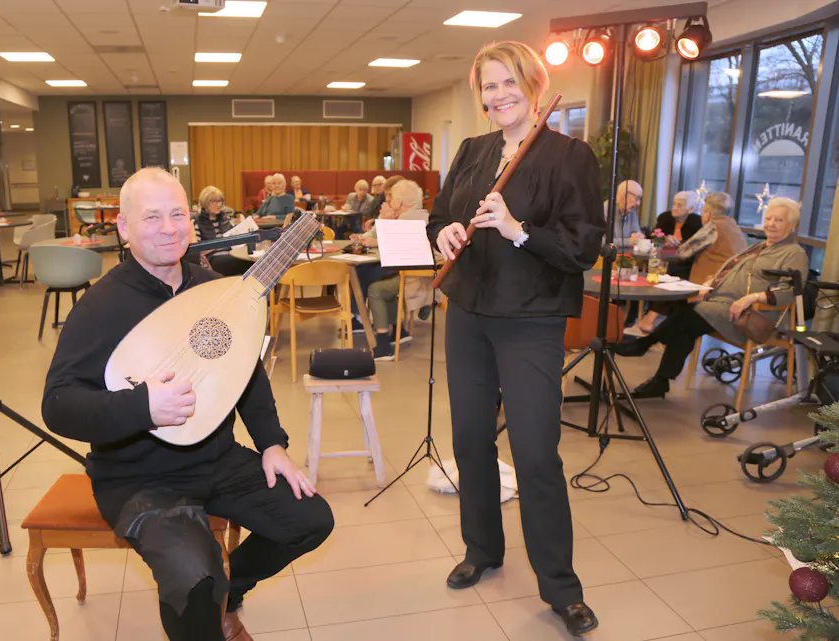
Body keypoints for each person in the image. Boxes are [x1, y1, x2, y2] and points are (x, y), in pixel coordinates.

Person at [42, 167, 334, 641]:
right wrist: (143, 407)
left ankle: (227, 593)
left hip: (216, 459)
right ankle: (207, 601)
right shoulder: (99, 307)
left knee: (311, 520)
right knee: (192, 576)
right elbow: (58, 405)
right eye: (152, 217)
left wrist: (272, 445)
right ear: (124, 226)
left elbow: (248, 374)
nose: (169, 228)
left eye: (178, 214)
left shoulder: (210, 286)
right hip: (138, 477)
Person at [428, 41, 604, 637]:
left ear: (533, 85)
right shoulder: (474, 151)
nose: (499, 95)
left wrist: (517, 229)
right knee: (471, 441)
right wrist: (445, 233)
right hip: (469, 312)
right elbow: (437, 216)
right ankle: (482, 549)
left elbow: (581, 249)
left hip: (531, 320)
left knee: (534, 454)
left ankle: (560, 586)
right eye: (489, 86)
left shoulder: (569, 157)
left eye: (509, 83)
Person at [614, 197, 808, 399]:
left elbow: (789, 291)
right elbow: (731, 270)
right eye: (768, 218)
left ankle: (643, 346)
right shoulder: (759, 247)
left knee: (688, 316)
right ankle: (659, 381)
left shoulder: (793, 253)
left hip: (750, 315)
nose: (771, 224)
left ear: (791, 225)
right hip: (722, 305)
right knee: (685, 326)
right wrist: (709, 285)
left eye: (778, 220)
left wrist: (752, 298)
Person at [352, 180, 429, 359]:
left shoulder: (405, 219)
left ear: (400, 202)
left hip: (413, 276)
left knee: (375, 287)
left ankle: (383, 343)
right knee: (374, 277)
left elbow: (391, 251)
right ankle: (398, 331)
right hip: (416, 271)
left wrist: (386, 222)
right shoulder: (420, 214)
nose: (389, 202)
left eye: (392, 198)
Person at [634, 191, 704, 332]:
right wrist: (662, 240)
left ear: (690, 209)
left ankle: (651, 316)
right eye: (674, 204)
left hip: (685, 264)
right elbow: (654, 237)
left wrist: (680, 243)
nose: (674, 208)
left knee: (673, 277)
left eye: (679, 205)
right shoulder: (665, 217)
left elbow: (696, 246)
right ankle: (667, 328)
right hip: (662, 260)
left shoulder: (697, 222)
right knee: (662, 274)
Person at [678, 191, 748, 285]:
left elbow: (682, 252)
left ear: (708, 214)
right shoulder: (733, 224)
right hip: (732, 281)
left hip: (710, 284)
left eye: (703, 210)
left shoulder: (712, 227)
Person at [193, 185, 249, 277]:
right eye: (214, 201)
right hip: (213, 258)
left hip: (233, 254)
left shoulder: (226, 219)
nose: (219, 205)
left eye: (220, 201)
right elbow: (196, 251)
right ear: (205, 203)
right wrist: (220, 243)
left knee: (253, 262)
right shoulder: (197, 222)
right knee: (240, 262)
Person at [604, 179, 643, 249]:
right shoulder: (605, 210)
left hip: (626, 257)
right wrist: (628, 242)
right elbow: (600, 241)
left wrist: (638, 237)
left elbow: (637, 235)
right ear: (625, 196)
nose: (638, 203)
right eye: (637, 199)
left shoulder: (631, 211)